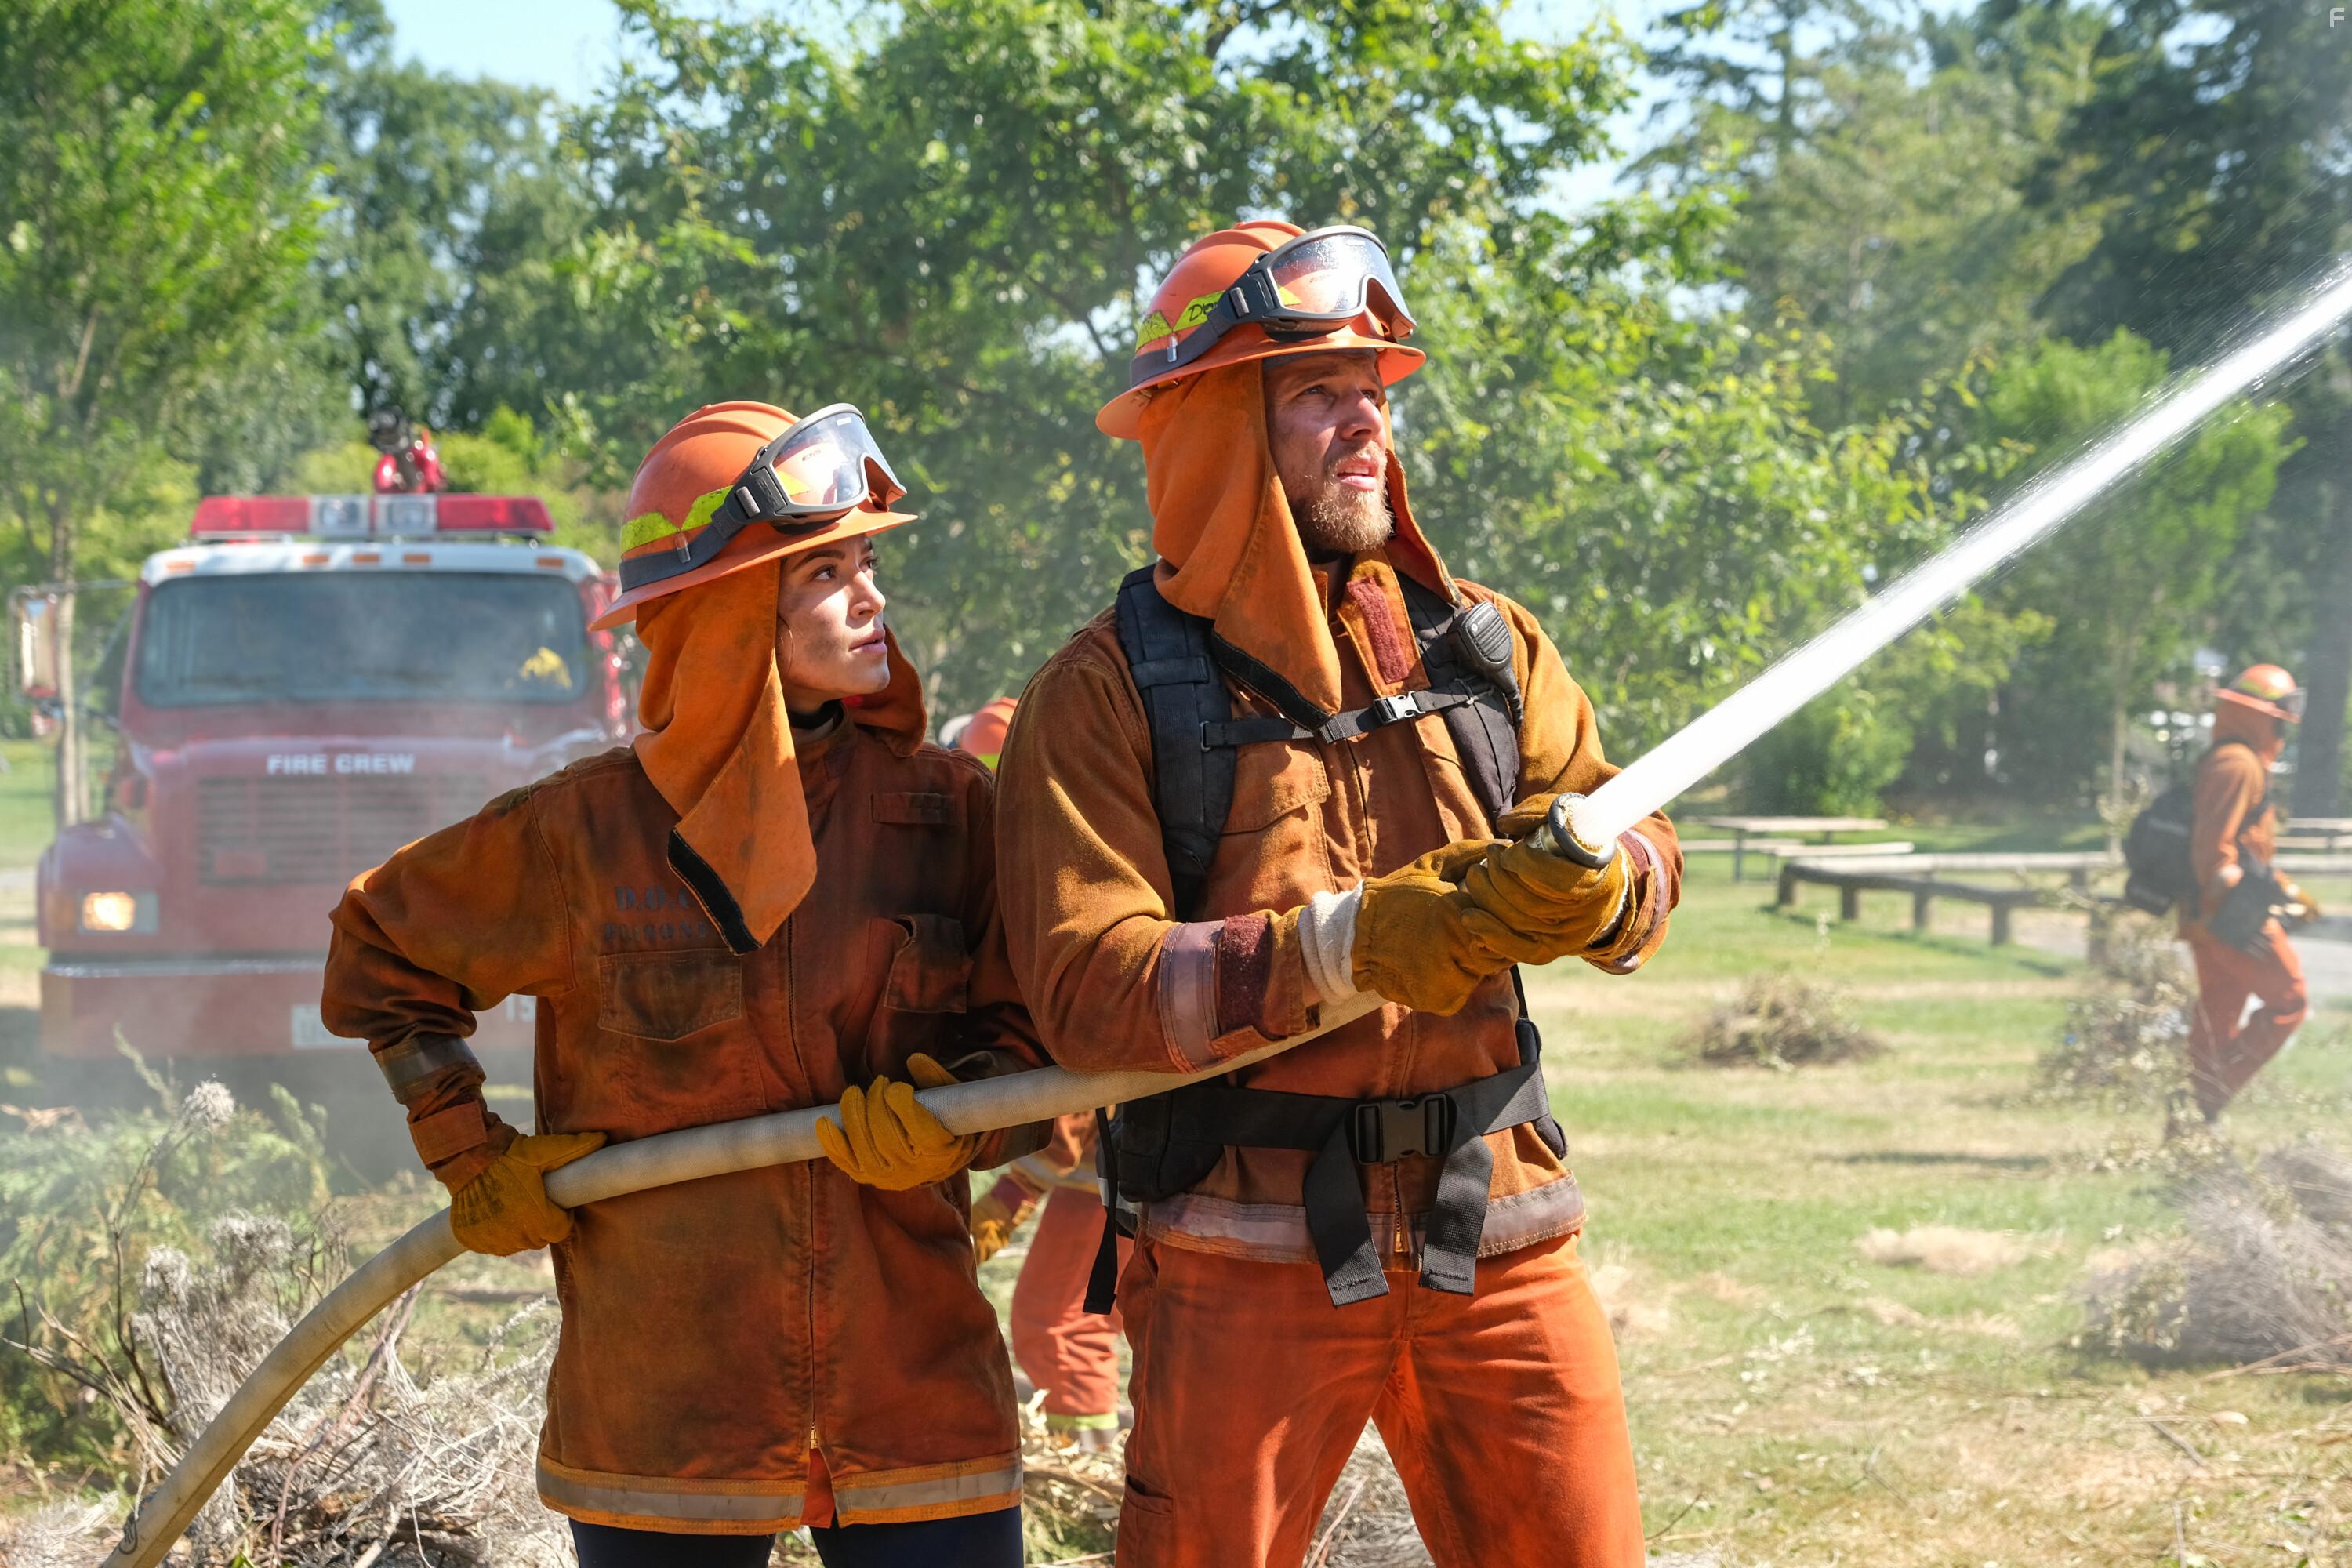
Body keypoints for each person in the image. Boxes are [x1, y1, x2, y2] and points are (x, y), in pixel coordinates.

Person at [993, 220, 1682, 1567]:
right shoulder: (1106, 696)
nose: (1367, 421)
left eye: (1373, 389)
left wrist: (1596, 891)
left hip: (1497, 1229)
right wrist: (1353, 944)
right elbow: (1088, 993)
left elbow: (1638, 843)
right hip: (1241, 1252)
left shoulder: (1483, 644)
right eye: (1316, 391)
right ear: (1207, 429)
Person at [323, 401, 1041, 1567]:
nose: (873, 599)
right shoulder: (584, 837)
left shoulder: (943, 809)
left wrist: (960, 1128)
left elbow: (1036, 1040)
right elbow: (378, 945)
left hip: (914, 1400)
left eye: (866, 564)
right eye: (826, 573)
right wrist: (471, 1153)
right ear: (728, 603)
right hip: (666, 1421)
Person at [953, 701, 1134, 1451]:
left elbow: (1073, 1087)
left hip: (1122, 1163)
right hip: (1115, 1166)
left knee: (1061, 1321)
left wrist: (1011, 1192)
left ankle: (1087, 1463)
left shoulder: (1047, 895)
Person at [2182, 662, 2318, 1122]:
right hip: (2231, 918)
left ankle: (2190, 1125)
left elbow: (2245, 850)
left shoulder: (2234, 760)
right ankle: (2211, 1094)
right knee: (2290, 1001)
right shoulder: (2237, 764)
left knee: (2217, 1018)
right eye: (2279, 721)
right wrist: (2250, 911)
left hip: (2215, 916)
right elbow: (2215, 857)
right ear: (2262, 716)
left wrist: (2285, 892)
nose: (2281, 731)